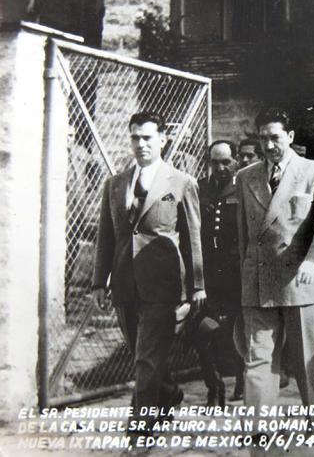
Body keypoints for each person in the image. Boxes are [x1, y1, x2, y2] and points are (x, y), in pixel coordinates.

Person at [91, 111, 205, 436]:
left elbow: (193, 238)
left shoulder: (182, 183)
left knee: (146, 357)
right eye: (135, 138)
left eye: (147, 138)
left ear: (162, 140)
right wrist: (100, 282)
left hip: (163, 284)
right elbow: (106, 237)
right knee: (142, 353)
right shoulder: (115, 184)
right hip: (124, 284)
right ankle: (168, 392)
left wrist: (197, 286)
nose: (140, 144)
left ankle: (140, 424)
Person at [236, 108, 314, 433]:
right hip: (259, 280)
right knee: (258, 359)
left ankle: (313, 419)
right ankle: (260, 428)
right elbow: (243, 234)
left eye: (275, 137)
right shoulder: (246, 176)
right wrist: (246, 273)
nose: (268, 145)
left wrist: (313, 261)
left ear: (290, 137)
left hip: (301, 279)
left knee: (306, 359)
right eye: (263, 138)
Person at [198, 140, 245, 403]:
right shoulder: (201, 188)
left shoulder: (244, 187)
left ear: (236, 160)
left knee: (238, 327)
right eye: (215, 162)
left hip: (235, 270)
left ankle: (241, 380)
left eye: (226, 161)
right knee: (203, 327)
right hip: (207, 270)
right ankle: (214, 386)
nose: (221, 167)